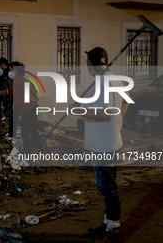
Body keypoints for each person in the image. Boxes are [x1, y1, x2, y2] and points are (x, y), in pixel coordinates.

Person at [69, 47, 129, 239]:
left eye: (87, 62)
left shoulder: (103, 83)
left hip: (103, 144)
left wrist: (78, 112)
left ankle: (113, 224)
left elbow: (105, 113)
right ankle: (108, 221)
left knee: (106, 185)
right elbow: (126, 102)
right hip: (110, 139)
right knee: (108, 182)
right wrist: (116, 123)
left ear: (90, 63)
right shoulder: (114, 79)